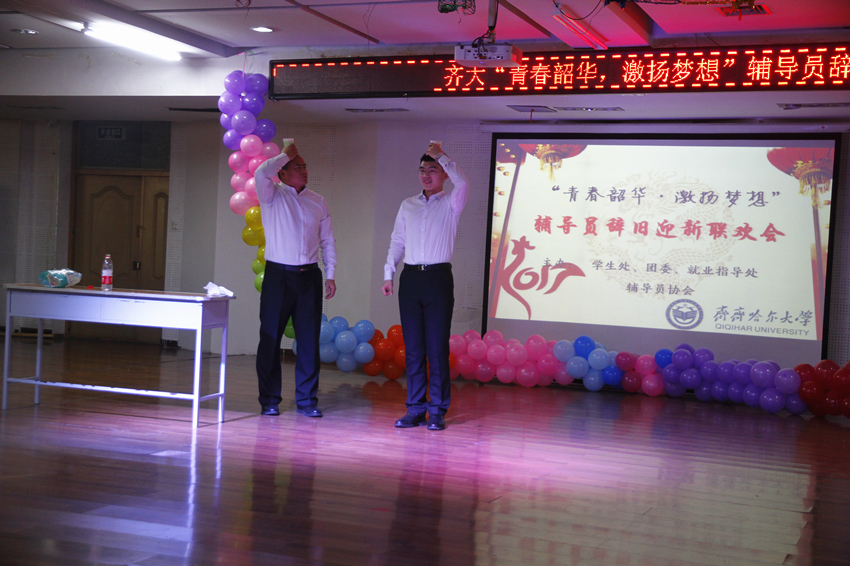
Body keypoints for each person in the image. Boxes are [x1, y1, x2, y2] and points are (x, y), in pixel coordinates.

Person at [381, 141, 470, 431]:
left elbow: (463, 182)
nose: (426, 175)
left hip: (437, 279)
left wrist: (441, 156)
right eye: (422, 170)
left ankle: (438, 409)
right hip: (411, 278)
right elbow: (397, 241)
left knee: (436, 347)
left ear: (443, 174)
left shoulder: (451, 203)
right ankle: (415, 409)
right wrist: (388, 273)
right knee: (414, 349)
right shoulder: (408, 205)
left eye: (433, 170)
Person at [254, 141, 337, 417]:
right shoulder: (271, 194)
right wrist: (285, 154)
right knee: (270, 338)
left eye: (305, 166)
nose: (303, 171)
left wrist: (331, 273)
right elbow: (261, 173)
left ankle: (307, 401)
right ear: (283, 172)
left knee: (309, 341)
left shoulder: (318, 200)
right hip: (278, 276)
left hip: (309, 276)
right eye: (297, 166)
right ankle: (269, 400)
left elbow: (328, 241)